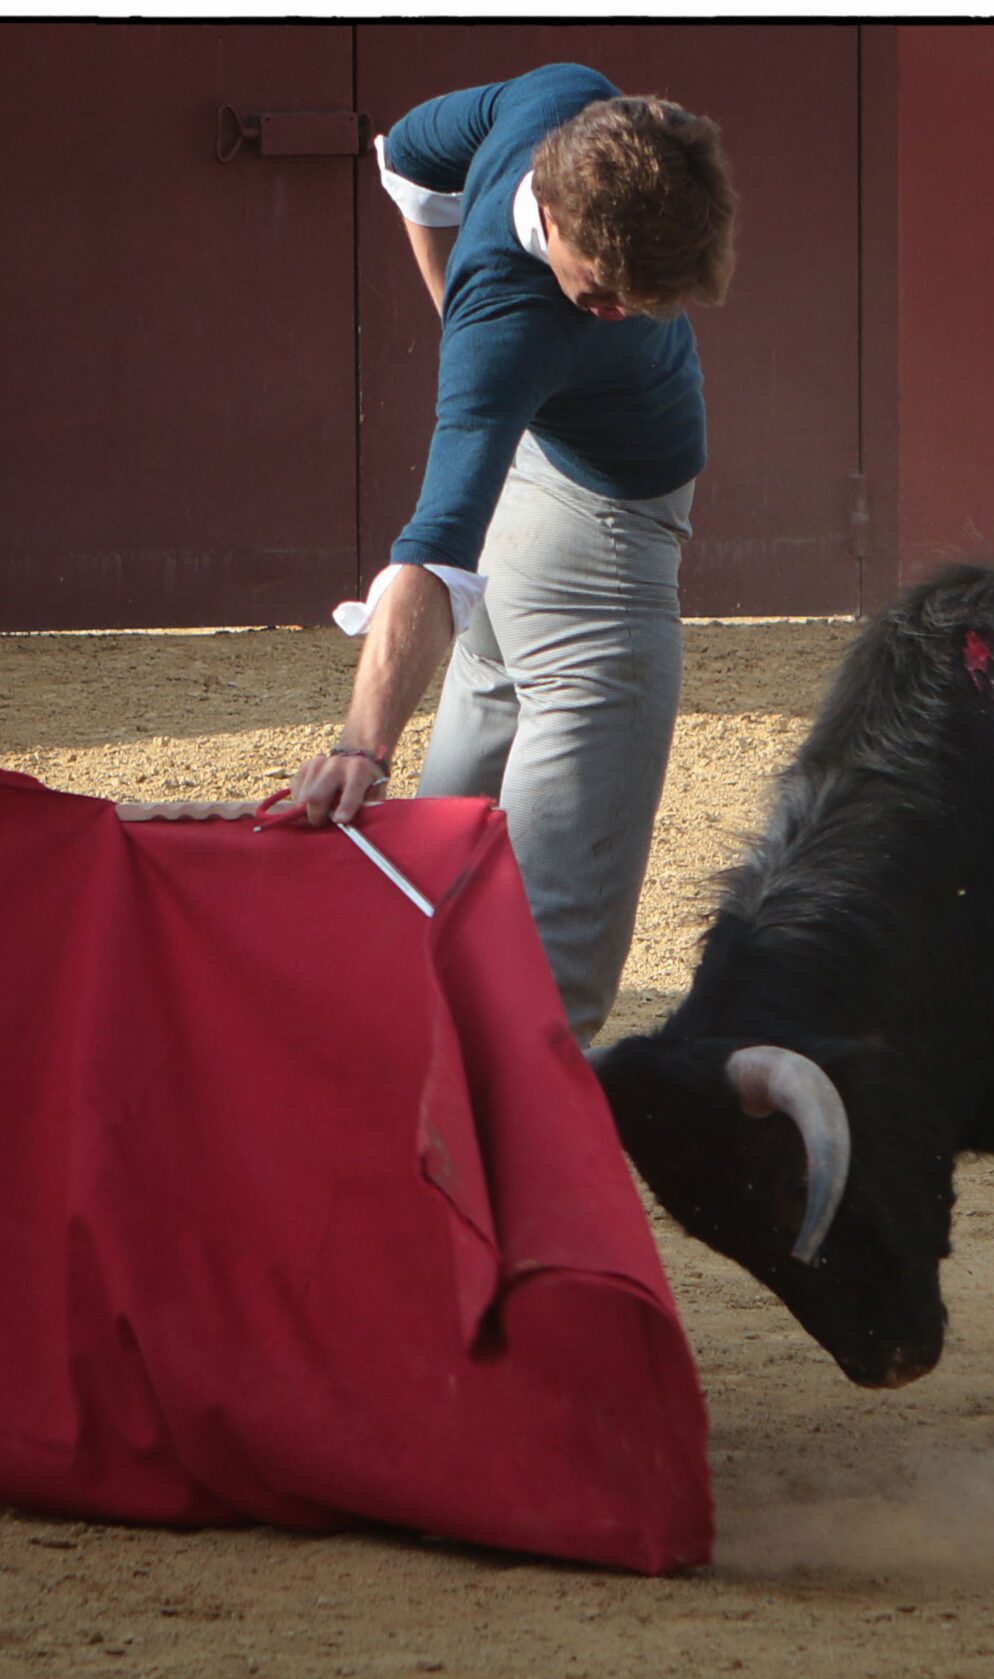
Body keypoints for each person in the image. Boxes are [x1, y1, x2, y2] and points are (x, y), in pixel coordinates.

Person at [277, 63, 737, 1045]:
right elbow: (431, 555)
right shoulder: (509, 327)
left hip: (521, 533)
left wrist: (447, 294)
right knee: (549, 979)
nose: (627, 313)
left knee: (432, 885)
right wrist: (362, 742)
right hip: (598, 570)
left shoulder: (566, 99)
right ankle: (485, 1179)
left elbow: (403, 157)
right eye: (607, 294)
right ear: (561, 220)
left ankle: (388, 1133)